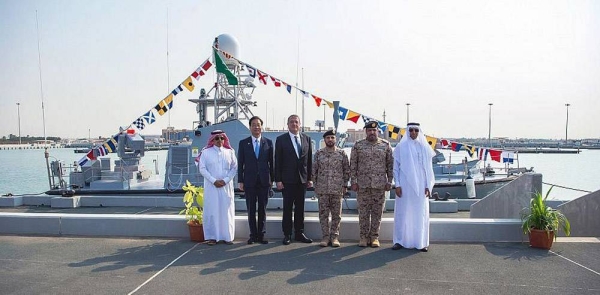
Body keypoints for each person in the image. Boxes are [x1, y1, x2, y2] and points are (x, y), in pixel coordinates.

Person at [392, 122, 435, 252]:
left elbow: (429, 169)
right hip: (405, 185)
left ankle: (421, 242)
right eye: (411, 130)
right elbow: (396, 168)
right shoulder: (401, 147)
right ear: (407, 131)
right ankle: (399, 241)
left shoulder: (425, 147)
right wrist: (397, 185)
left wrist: (429, 185)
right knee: (402, 212)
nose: (413, 133)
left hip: (422, 185)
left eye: (416, 130)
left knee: (419, 213)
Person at [350, 121, 393, 248]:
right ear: (366, 132)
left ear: (378, 131)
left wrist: (390, 181)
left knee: (377, 213)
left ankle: (374, 237)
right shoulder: (358, 145)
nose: (372, 132)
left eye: (374, 130)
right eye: (369, 130)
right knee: (363, 213)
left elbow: (390, 165)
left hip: (379, 186)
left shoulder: (385, 145)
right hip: (362, 185)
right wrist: (353, 181)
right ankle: (363, 237)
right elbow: (353, 165)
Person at [275, 114, 313, 245]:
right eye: (291, 122)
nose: (294, 124)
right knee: (287, 208)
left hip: (302, 180)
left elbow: (309, 161)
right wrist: (278, 180)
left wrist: (309, 178)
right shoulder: (281, 140)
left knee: (300, 208)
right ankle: (287, 234)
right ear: (288, 124)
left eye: (296, 122)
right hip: (287, 180)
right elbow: (278, 161)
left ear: (300, 124)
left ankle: (299, 232)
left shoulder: (307, 139)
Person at [237, 116, 274, 245]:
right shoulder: (243, 143)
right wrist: (240, 181)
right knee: (251, 209)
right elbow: (240, 163)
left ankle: (261, 234)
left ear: (261, 127)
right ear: (250, 127)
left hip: (264, 181)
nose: (256, 127)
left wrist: (272, 180)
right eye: (254, 125)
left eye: (258, 125)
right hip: (249, 181)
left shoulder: (268, 143)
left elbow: (272, 163)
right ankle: (253, 234)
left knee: (263, 209)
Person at [198, 130, 238, 246]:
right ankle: (212, 237)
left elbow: (234, 168)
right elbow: (202, 168)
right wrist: (213, 180)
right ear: (212, 140)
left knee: (226, 211)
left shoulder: (230, 152)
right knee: (212, 211)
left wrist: (225, 180)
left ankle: (227, 236)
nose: (220, 140)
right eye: (217, 138)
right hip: (212, 187)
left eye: (222, 138)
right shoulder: (206, 153)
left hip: (226, 187)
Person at [312, 129, 350, 247]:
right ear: (324, 140)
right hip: (322, 189)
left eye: (332, 137)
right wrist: (316, 185)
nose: (330, 140)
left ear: (335, 139)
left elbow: (346, 170)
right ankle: (325, 237)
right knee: (323, 214)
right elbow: (314, 171)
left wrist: (344, 185)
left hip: (337, 190)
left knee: (336, 215)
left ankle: (334, 237)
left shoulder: (341, 153)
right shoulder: (319, 153)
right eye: (328, 138)